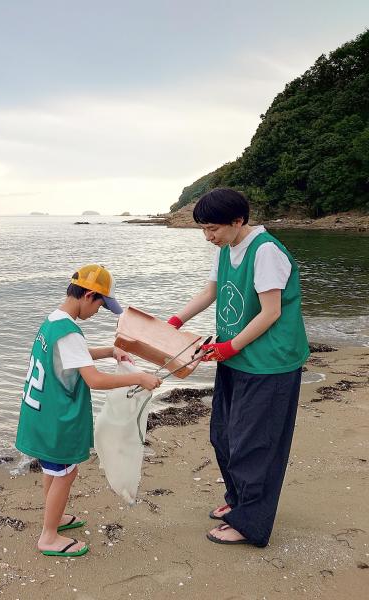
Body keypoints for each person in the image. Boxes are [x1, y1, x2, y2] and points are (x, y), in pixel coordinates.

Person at [167, 188, 309, 547]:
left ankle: (250, 523)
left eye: (212, 228)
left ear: (238, 220)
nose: (207, 236)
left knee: (255, 444)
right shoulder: (229, 248)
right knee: (225, 436)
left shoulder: (266, 252)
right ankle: (238, 502)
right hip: (235, 357)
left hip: (270, 364)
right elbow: (210, 291)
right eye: (203, 229)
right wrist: (173, 321)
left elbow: (271, 311)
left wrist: (229, 346)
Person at [15, 264, 162, 557]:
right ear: (89, 296)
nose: (98, 312)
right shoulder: (70, 332)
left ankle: (53, 518)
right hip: (55, 419)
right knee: (66, 473)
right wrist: (139, 378)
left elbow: (73, 355)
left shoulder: (52, 322)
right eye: (100, 306)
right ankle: (49, 536)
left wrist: (110, 350)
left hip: (37, 414)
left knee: (53, 469)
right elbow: (93, 379)